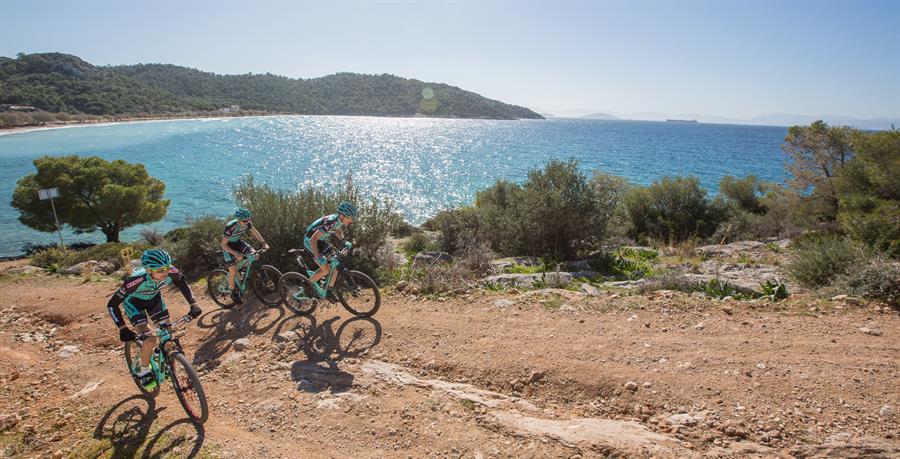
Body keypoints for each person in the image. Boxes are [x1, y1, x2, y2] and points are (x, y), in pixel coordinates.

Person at [107, 249, 201, 389]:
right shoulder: (135, 280)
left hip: (154, 299)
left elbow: (182, 283)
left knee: (167, 336)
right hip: (134, 303)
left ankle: (168, 365)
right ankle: (144, 371)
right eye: (160, 270)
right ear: (148, 270)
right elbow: (112, 305)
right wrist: (123, 328)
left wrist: (193, 304)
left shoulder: (171, 271)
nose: (165, 272)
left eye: (167, 268)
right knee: (150, 339)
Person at [304, 201, 356, 298]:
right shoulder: (331, 222)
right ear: (342, 216)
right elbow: (313, 239)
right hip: (310, 242)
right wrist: (317, 256)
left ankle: (328, 291)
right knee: (326, 270)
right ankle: (307, 284)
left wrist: (344, 241)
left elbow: (337, 229)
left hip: (320, 241)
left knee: (335, 263)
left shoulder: (338, 221)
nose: (351, 221)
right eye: (350, 218)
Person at [221, 207, 269, 304]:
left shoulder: (247, 222)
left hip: (237, 243)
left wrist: (264, 243)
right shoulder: (231, 226)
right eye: (245, 221)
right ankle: (234, 293)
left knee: (255, 255)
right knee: (233, 270)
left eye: (249, 220)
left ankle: (242, 271)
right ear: (239, 220)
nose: (247, 222)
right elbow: (223, 244)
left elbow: (254, 231)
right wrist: (235, 253)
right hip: (228, 247)